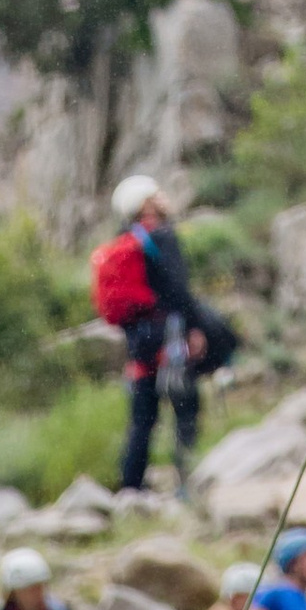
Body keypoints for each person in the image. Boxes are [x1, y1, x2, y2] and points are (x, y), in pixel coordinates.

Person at [95, 171, 240, 496]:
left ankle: (130, 489)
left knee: (142, 420)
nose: (164, 197)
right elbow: (178, 291)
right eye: (156, 194)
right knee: (186, 409)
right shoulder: (162, 236)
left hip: (140, 345)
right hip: (171, 340)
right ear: (145, 204)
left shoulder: (124, 239)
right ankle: (186, 484)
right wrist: (195, 329)